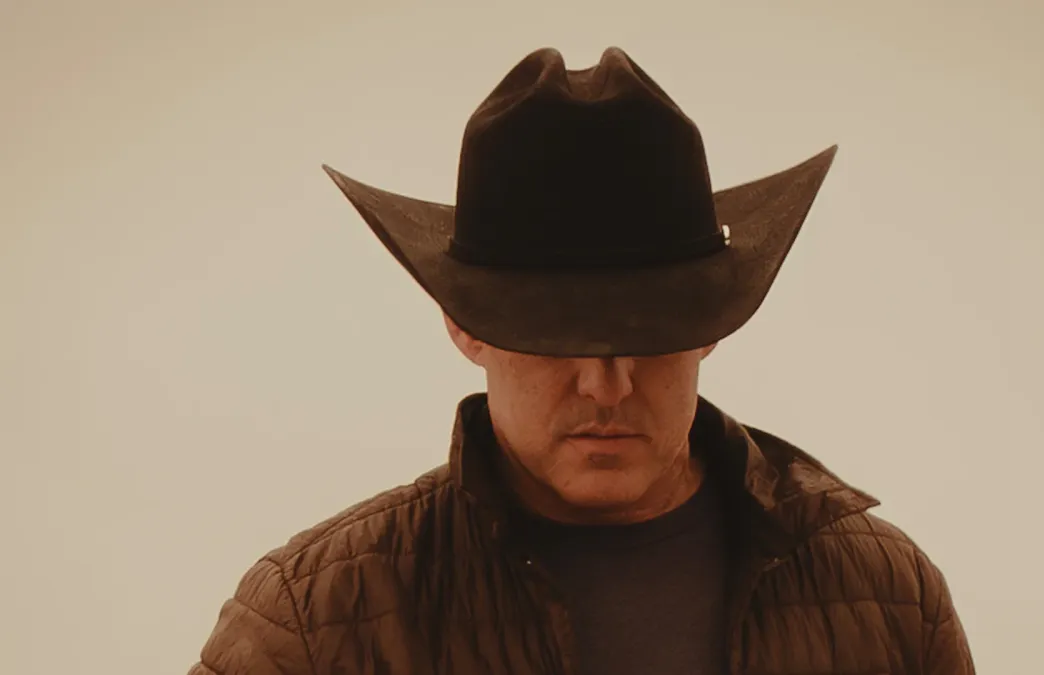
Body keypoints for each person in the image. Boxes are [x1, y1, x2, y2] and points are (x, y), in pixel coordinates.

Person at [188, 46, 975, 675]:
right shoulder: (316, 619)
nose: (606, 384)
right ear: (465, 328)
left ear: (712, 326)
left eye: (647, 332)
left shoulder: (889, 597)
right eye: (558, 337)